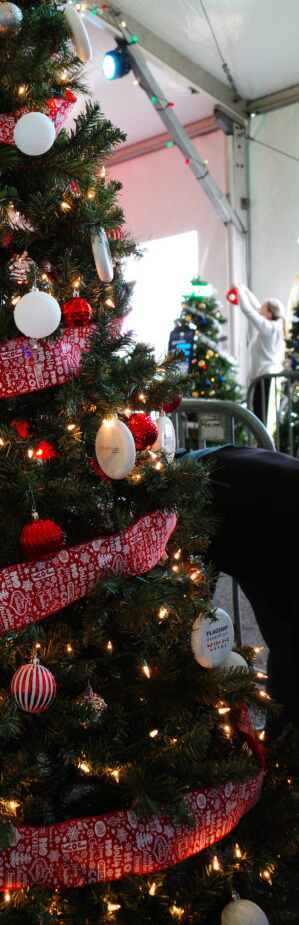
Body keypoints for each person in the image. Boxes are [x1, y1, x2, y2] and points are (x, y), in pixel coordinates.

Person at [186, 444, 298, 737]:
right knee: (184, 642)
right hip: (198, 491)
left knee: (288, 650)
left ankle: (278, 762)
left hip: (254, 503)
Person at [232, 284, 286, 421]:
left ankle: (260, 442)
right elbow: (256, 308)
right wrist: (247, 292)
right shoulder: (274, 325)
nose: (259, 309)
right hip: (264, 374)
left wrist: (240, 292)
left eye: (263, 308)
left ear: (269, 314)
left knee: (260, 412)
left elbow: (248, 310)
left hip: (263, 375)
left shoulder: (268, 327)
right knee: (261, 410)